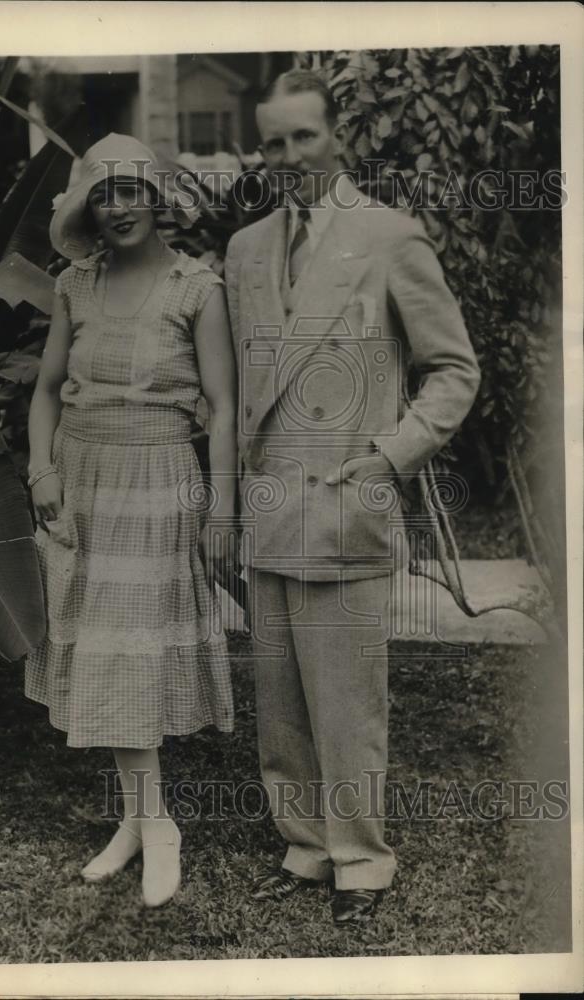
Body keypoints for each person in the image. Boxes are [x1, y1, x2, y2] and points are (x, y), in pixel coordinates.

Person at [224, 71, 481, 923]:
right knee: (282, 701)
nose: (289, 156)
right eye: (273, 142)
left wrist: (389, 456)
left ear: (337, 139)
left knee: (347, 700)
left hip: (346, 495)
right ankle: (303, 845)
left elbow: (453, 370)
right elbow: (235, 390)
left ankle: (361, 859)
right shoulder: (247, 248)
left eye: (304, 137)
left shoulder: (388, 237)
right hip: (269, 505)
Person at [25, 133, 238, 908]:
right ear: (89, 208)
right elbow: (47, 388)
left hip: (158, 483)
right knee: (107, 652)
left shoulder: (197, 289)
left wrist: (222, 506)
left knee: (132, 652)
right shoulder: (73, 286)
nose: (118, 209)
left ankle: (156, 827)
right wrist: (40, 469)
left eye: (131, 191)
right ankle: (141, 821)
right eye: (103, 195)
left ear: (158, 199)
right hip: (81, 481)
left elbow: (223, 408)